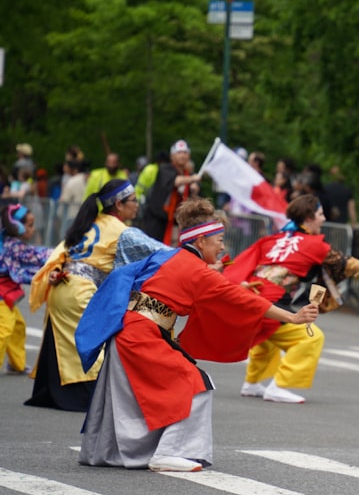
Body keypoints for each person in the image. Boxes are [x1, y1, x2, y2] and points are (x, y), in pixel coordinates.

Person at [76, 198, 319, 472]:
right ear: (201, 241)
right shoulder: (198, 272)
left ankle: (109, 451)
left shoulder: (167, 256)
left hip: (126, 332)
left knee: (136, 395)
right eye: (219, 239)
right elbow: (241, 299)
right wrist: (292, 316)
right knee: (195, 384)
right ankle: (169, 452)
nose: (223, 246)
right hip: (142, 337)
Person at [26, 180, 163, 412]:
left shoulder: (87, 224)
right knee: (93, 345)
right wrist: (194, 257)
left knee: (63, 344)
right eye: (133, 201)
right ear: (119, 204)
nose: (137, 206)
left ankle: (53, 394)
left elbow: (60, 252)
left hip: (61, 287)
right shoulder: (123, 232)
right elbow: (160, 253)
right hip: (81, 291)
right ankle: (93, 401)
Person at [224, 195, 359, 404]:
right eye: (320, 215)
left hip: (251, 299)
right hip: (272, 301)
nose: (323, 219)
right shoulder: (314, 245)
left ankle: (252, 383)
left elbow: (239, 264)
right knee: (311, 338)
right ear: (309, 218)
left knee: (269, 338)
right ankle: (280, 385)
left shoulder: (272, 240)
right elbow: (342, 262)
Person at [0, 204, 51, 375]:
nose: (33, 229)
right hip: (2, 296)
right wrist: (63, 252)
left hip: (6, 296)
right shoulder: (14, 245)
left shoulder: (6, 241)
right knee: (4, 330)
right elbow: (37, 256)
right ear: (18, 226)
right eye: (30, 225)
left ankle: (16, 364)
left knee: (18, 327)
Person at [141, 140, 201, 244]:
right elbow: (176, 181)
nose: (182, 156)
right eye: (179, 152)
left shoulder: (188, 174)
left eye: (185, 153)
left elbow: (193, 198)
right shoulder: (165, 169)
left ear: (189, 155)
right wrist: (192, 179)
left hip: (176, 221)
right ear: (172, 156)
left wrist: (194, 190)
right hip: (157, 219)